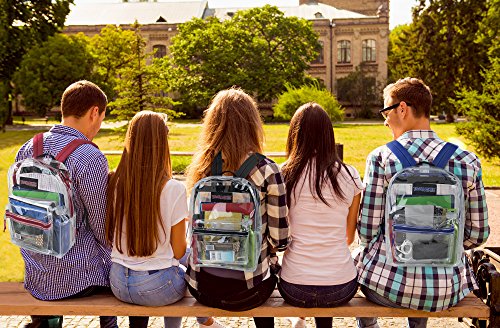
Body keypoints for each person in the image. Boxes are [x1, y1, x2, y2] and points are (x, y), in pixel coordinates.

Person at [355, 77, 490, 328]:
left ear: (402, 109)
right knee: (425, 281)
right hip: (446, 290)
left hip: (388, 288)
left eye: (386, 110)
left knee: (360, 264)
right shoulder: (467, 161)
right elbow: (478, 234)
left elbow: (366, 231)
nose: (385, 119)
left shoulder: (382, 158)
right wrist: (440, 243)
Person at [185, 88, 290, 328]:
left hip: (203, 286)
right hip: (249, 290)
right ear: (253, 123)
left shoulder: (202, 167)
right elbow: (280, 238)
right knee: (266, 271)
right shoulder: (267, 170)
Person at [15, 80, 116, 328]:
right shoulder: (89, 156)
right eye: (102, 117)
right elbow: (102, 227)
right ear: (95, 112)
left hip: (37, 274)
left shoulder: (27, 149)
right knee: (115, 260)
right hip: (80, 278)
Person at [278, 103, 362, 328]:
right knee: (327, 286)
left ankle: (300, 319)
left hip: (294, 286)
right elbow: (348, 237)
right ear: (329, 135)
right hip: (340, 286)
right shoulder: (349, 175)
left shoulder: (283, 175)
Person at [105, 111, 189, 328]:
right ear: (162, 143)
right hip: (157, 287)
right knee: (187, 264)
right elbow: (178, 251)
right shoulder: (174, 188)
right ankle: (200, 322)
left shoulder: (114, 182)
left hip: (118, 282)